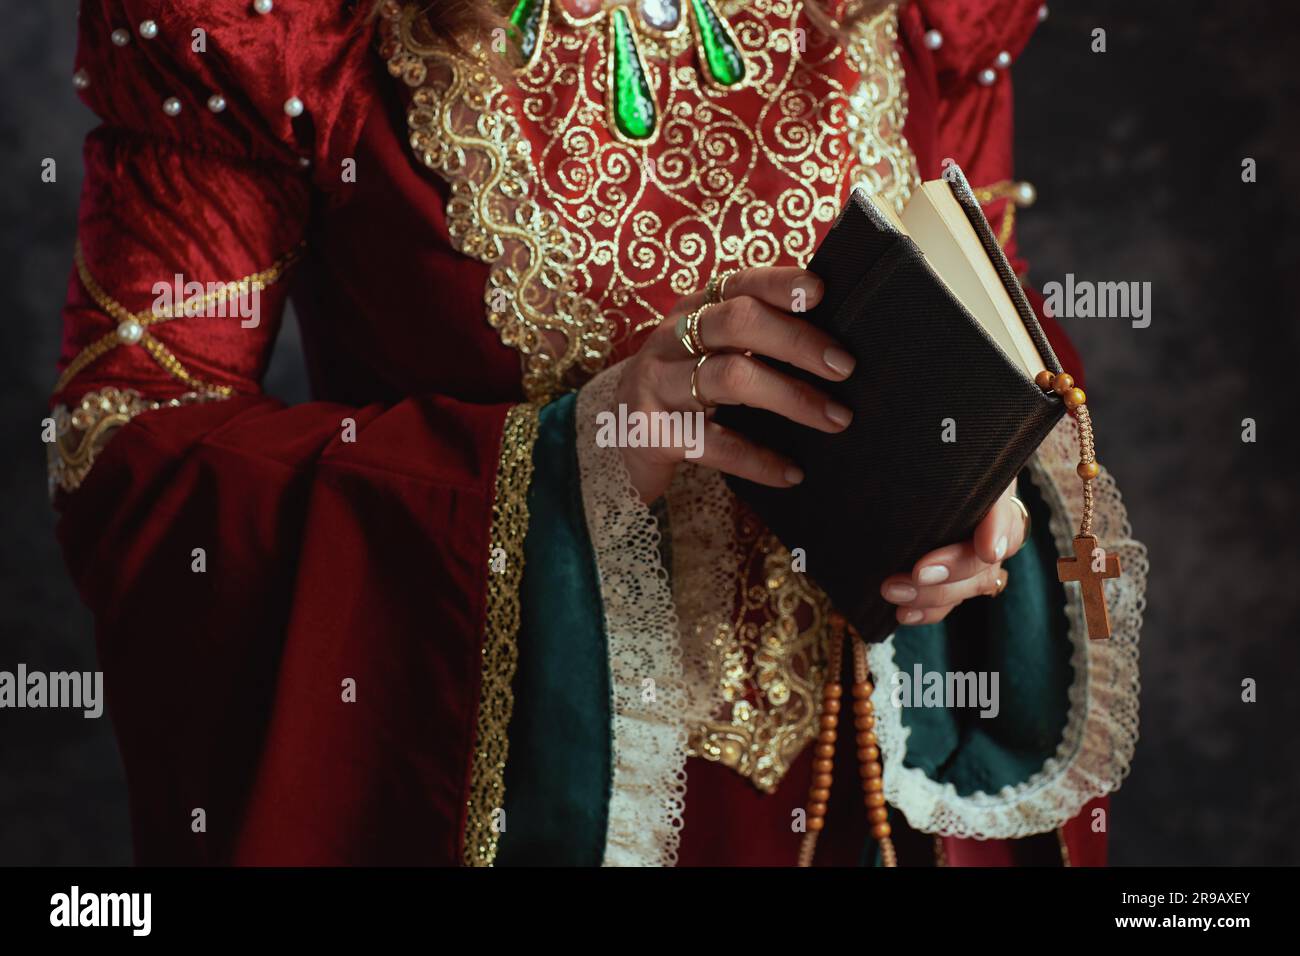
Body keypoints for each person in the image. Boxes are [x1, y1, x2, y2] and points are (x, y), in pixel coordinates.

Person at [48, 0, 1145, 866]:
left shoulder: (924, 10)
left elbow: (996, 313)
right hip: (528, 801)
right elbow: (124, 445)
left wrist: (983, 487)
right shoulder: (278, 28)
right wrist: (562, 465)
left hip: (868, 793)